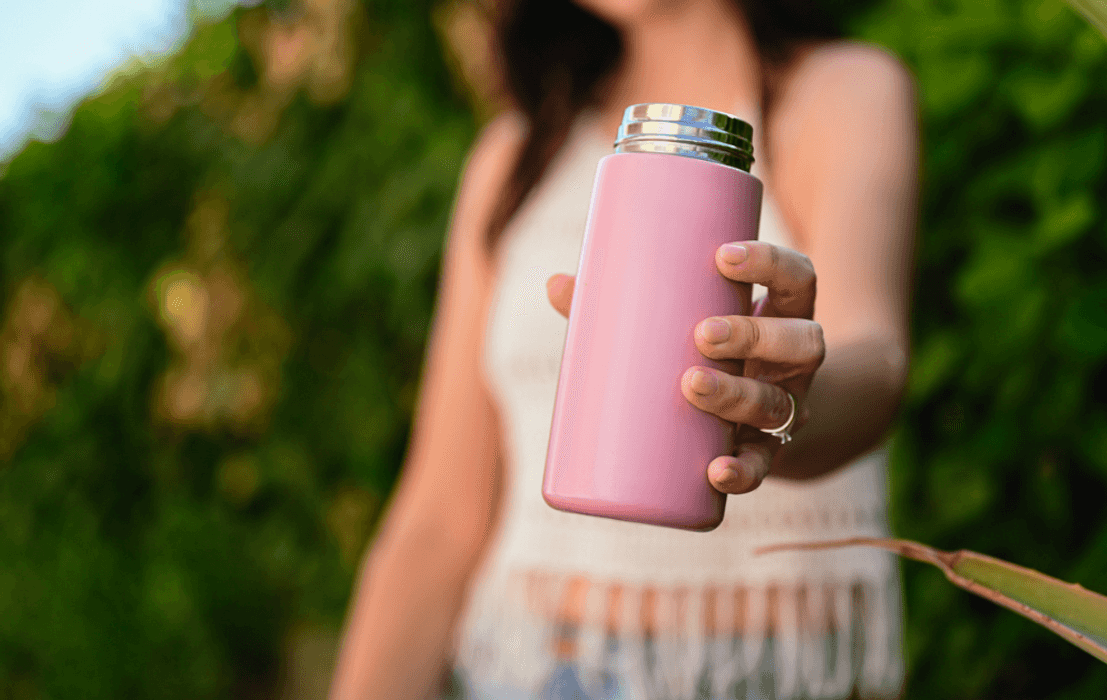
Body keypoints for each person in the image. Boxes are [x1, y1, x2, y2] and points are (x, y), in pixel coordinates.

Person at [329, 0, 919, 698]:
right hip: (530, 667)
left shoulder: (838, 93)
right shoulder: (514, 159)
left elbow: (874, 361)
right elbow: (439, 516)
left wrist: (782, 406)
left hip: (758, 670)